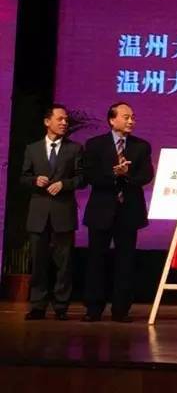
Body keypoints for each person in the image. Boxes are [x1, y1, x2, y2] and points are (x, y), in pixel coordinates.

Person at [82, 102, 153, 322]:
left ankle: (121, 310)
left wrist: (126, 175)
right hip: (101, 210)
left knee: (125, 262)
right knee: (96, 261)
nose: (131, 121)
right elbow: (89, 175)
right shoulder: (95, 145)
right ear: (112, 120)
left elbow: (146, 176)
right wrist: (113, 174)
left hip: (128, 211)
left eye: (133, 117)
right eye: (126, 117)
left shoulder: (141, 146)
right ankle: (93, 309)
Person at [19, 104, 84, 320]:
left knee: (64, 264)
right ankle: (37, 305)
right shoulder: (33, 149)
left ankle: (61, 306)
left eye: (66, 119)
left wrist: (64, 184)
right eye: (60, 119)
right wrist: (34, 180)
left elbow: (82, 178)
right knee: (38, 262)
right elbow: (23, 177)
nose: (64, 123)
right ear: (47, 122)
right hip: (38, 213)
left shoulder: (74, 149)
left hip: (63, 212)